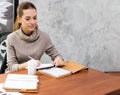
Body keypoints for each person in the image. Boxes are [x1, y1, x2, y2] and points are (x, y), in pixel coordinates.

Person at [6, 1, 64, 72]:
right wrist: (28, 64)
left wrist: (59, 59)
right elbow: (11, 67)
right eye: (28, 19)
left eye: (34, 18)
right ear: (19, 19)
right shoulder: (11, 38)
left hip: (34, 75)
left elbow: (58, 56)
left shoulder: (44, 37)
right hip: (15, 77)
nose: (32, 22)